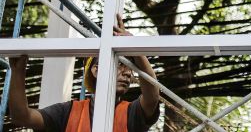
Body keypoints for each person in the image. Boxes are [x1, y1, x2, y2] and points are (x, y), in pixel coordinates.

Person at [8, 14, 160, 131]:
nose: (128, 73)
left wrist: (134, 47)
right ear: (96, 70)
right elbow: (22, 117)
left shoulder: (131, 113)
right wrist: (17, 72)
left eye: (130, 68)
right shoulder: (68, 112)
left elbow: (152, 96)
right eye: (120, 64)